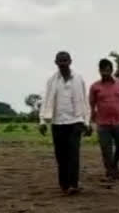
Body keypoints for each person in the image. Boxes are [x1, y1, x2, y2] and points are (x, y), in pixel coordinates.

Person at [39, 51, 92, 195]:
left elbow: (85, 101)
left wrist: (87, 121)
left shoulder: (78, 79)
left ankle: (73, 184)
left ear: (70, 61)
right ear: (56, 62)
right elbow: (46, 101)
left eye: (65, 61)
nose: (62, 64)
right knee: (61, 156)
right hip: (57, 122)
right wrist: (42, 121)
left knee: (73, 154)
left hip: (75, 121)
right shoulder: (52, 81)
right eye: (60, 61)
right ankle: (64, 184)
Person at [89, 58, 119, 181]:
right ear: (99, 71)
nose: (105, 73)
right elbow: (91, 106)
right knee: (106, 150)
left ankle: (114, 163)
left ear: (111, 70)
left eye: (108, 70)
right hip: (103, 124)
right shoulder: (95, 87)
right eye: (103, 71)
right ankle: (110, 173)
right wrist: (88, 123)